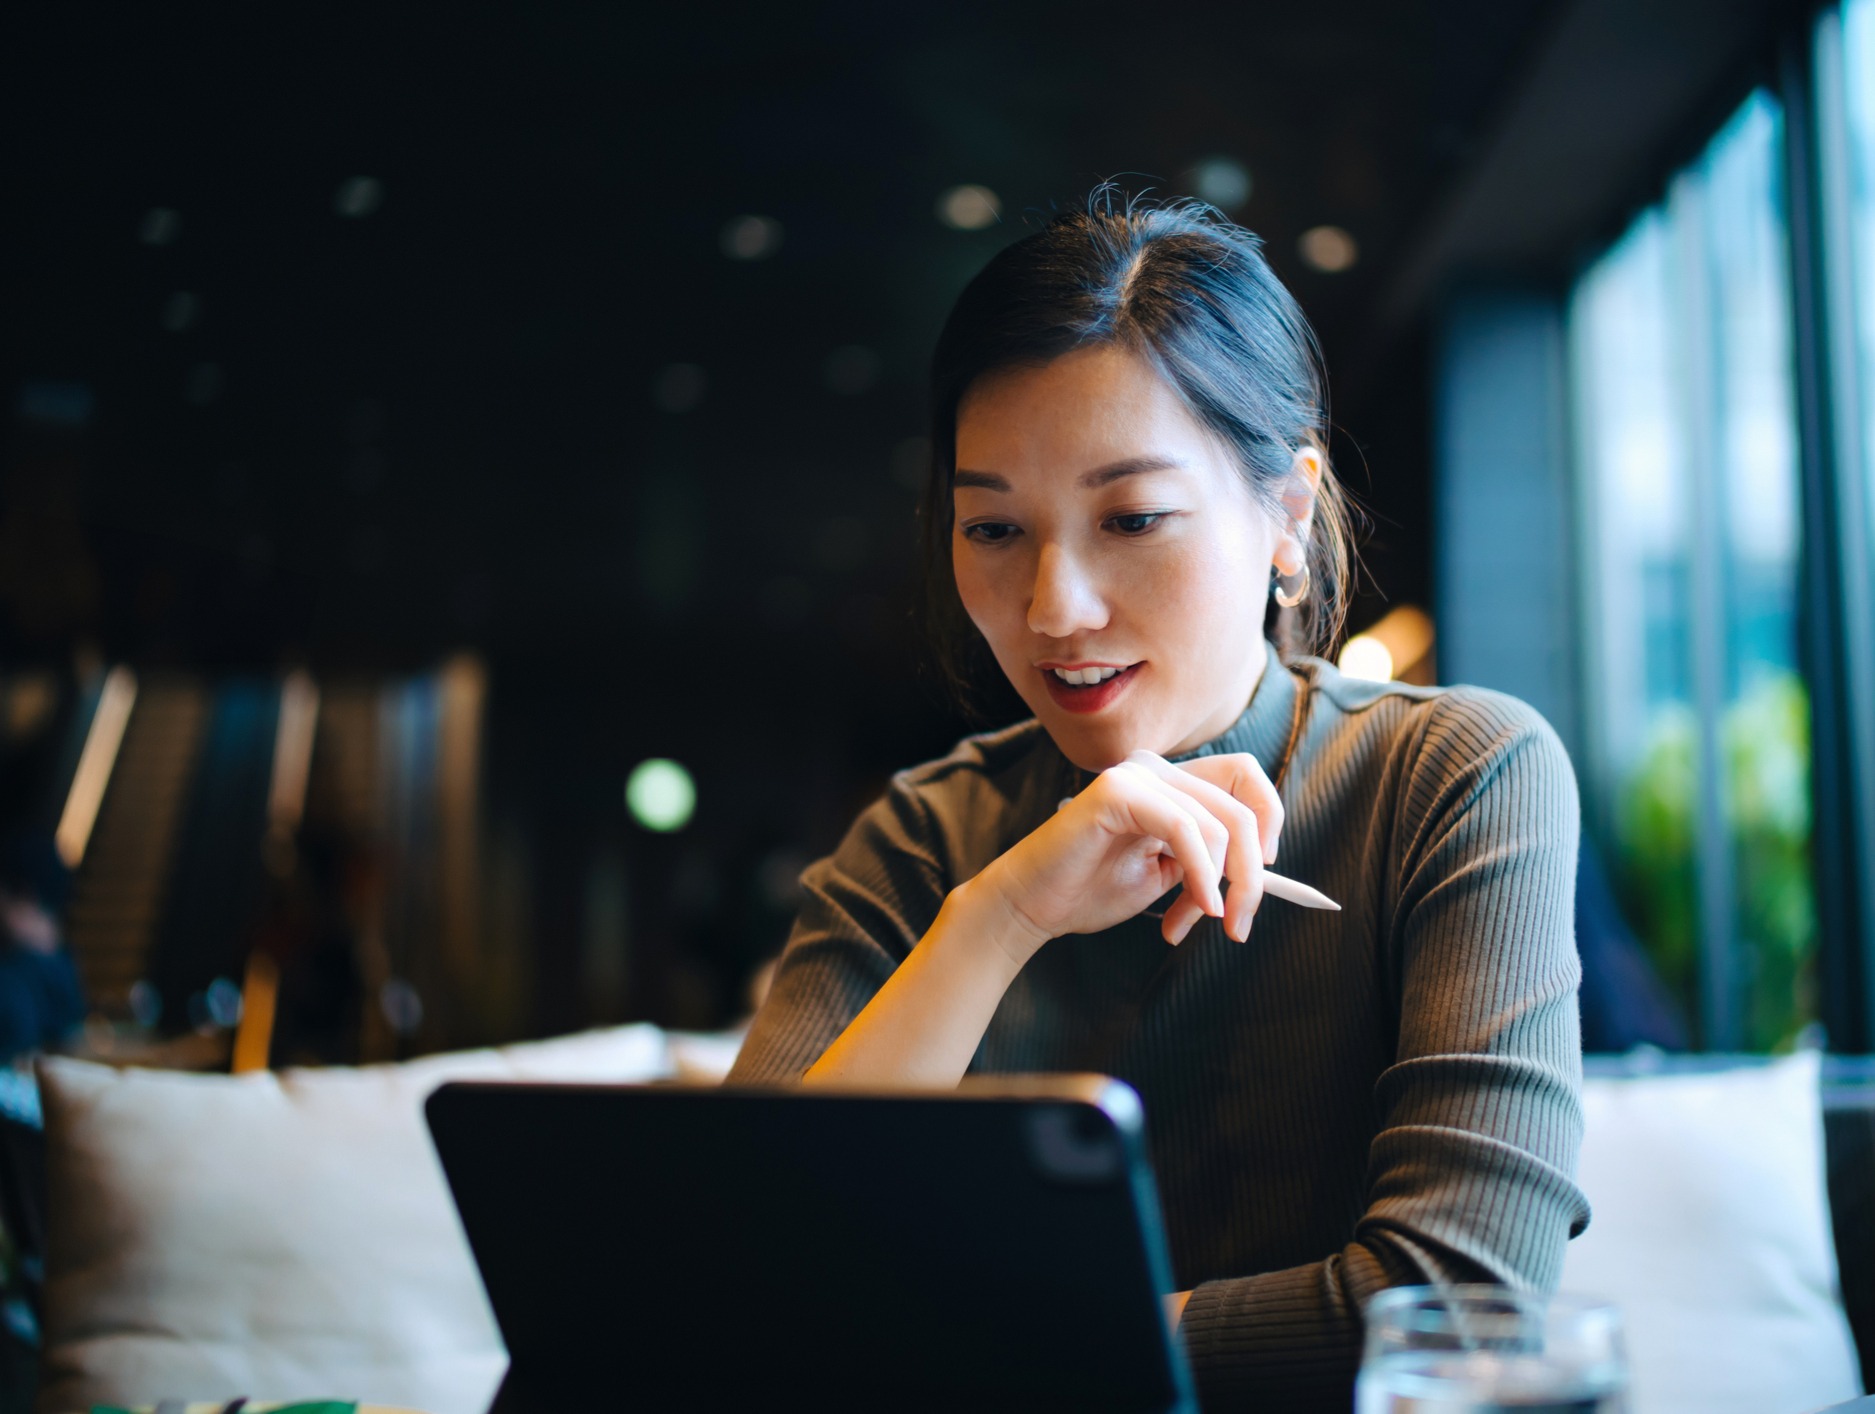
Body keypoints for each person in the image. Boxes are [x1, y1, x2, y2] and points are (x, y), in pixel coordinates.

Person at [727, 193, 1588, 1410]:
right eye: (993, 527)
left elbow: (1458, 1302)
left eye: (1132, 518)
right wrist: (1000, 916)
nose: (1053, 608)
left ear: (1286, 515)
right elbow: (740, 1276)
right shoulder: (928, 841)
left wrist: (974, 1347)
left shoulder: (1452, 777)